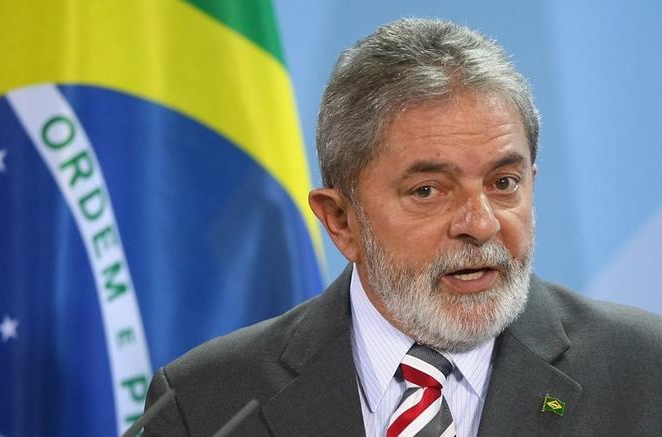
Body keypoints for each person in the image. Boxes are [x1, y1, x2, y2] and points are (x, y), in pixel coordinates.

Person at [139, 18, 662, 436]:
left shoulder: (646, 371)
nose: (481, 224)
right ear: (341, 221)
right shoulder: (206, 401)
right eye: (428, 191)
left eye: (504, 183)